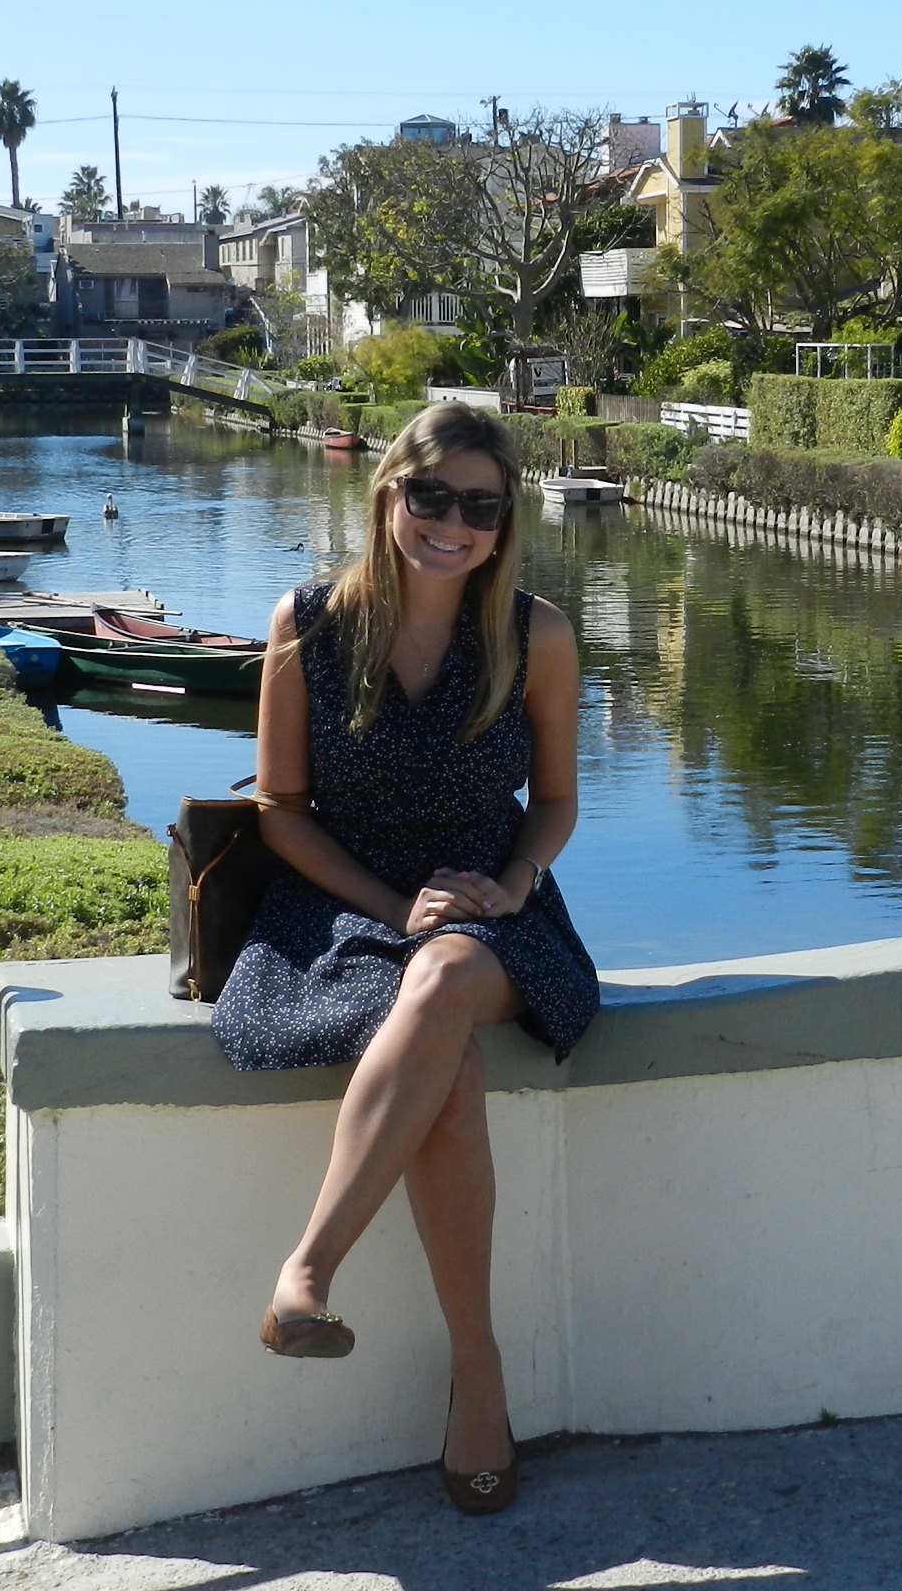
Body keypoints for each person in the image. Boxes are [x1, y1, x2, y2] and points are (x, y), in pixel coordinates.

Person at [211, 400, 598, 1516]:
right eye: (431, 496)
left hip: (497, 902)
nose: (452, 524)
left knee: (438, 978)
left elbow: (559, 802)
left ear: (502, 522)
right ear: (389, 493)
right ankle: (479, 1376)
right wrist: (394, 906)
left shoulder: (537, 633)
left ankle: (307, 1274)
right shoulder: (308, 623)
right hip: (340, 906)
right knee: (450, 1070)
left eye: (480, 507)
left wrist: (506, 887)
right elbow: (282, 809)